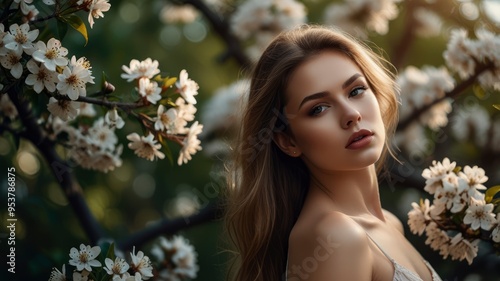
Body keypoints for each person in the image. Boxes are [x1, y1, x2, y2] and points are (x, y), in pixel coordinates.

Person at [224, 24, 442, 281]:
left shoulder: (391, 225)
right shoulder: (334, 236)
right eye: (318, 109)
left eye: (356, 90)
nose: (351, 114)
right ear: (287, 141)